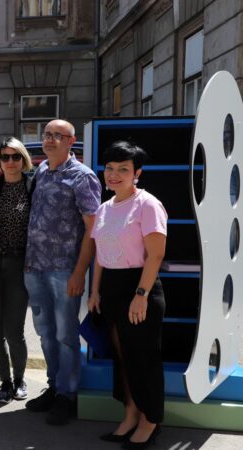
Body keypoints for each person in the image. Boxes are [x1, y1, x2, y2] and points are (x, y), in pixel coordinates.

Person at [88, 141, 167, 448]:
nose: (114, 174)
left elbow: (156, 255)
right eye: (110, 168)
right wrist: (95, 291)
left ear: (137, 173)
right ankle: (131, 414)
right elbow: (100, 253)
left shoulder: (147, 204)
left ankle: (150, 420)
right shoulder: (104, 207)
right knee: (122, 358)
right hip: (111, 289)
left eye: (123, 169)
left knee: (143, 358)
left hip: (139, 287)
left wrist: (141, 294)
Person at [24, 119, 102, 425]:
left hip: (63, 270)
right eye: (47, 135)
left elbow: (92, 231)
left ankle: (68, 396)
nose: (51, 140)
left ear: (71, 142)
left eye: (58, 136)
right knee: (45, 334)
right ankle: (54, 386)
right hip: (35, 268)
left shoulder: (83, 177)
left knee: (66, 335)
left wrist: (79, 272)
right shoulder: (42, 171)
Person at [0, 137, 34, 403]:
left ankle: (19, 379)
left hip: (20, 265)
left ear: (23, 159)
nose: (10, 162)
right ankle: (4, 381)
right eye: (5, 157)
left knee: (14, 329)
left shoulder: (33, 187)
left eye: (15, 156)